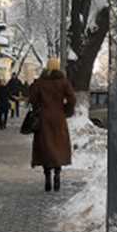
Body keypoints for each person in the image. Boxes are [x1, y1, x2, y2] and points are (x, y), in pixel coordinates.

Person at [29, 58, 76, 192]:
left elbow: (32, 99)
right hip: (59, 118)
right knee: (58, 146)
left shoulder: (40, 82)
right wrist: (66, 111)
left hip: (44, 118)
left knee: (45, 147)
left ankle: (47, 177)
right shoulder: (63, 82)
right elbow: (72, 99)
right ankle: (57, 173)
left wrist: (38, 108)